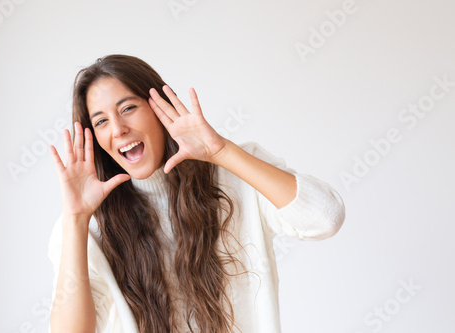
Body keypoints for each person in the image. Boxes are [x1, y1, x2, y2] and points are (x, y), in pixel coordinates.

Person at [47, 54, 346, 333]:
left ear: (159, 107)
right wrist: (76, 219)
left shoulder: (234, 174)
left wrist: (222, 152)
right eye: (101, 121)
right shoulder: (86, 226)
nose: (118, 129)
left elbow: (325, 218)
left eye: (128, 108)